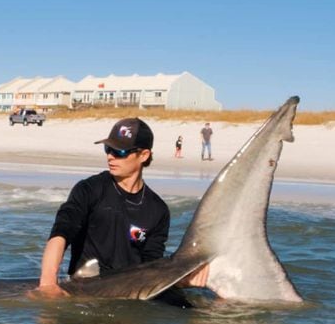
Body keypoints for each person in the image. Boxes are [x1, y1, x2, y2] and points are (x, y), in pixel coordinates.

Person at [36, 118, 207, 299]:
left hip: (128, 296)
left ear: (144, 155)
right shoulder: (89, 189)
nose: (110, 156)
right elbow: (61, 232)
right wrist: (47, 283)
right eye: (108, 149)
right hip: (83, 292)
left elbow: (152, 267)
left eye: (120, 151)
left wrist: (183, 281)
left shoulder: (158, 210)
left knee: (188, 311)